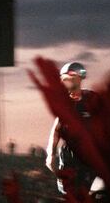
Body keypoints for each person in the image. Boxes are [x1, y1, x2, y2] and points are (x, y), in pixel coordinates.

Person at [44, 61, 103, 193]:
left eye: (69, 79)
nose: (66, 82)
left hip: (91, 156)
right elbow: (57, 128)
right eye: (64, 79)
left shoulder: (91, 98)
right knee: (70, 192)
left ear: (79, 78)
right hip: (70, 156)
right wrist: (51, 154)